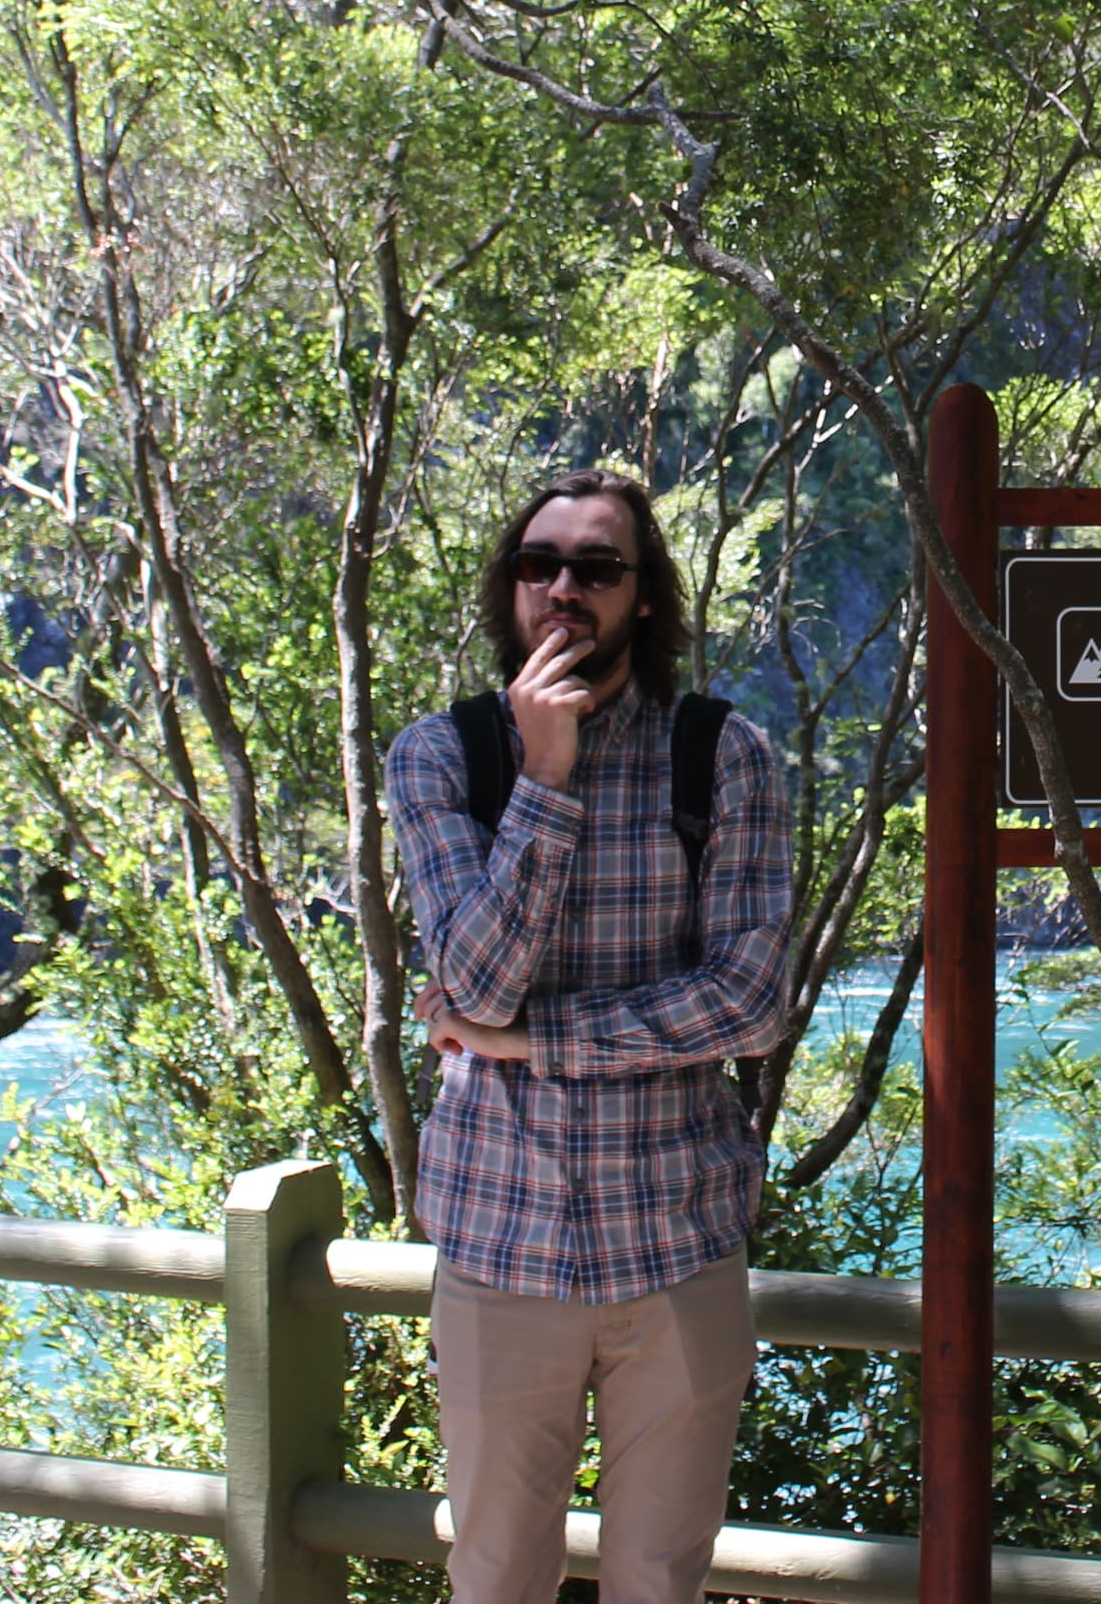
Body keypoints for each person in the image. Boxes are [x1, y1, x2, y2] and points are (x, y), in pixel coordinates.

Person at [386, 469, 792, 1604]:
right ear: (509, 588)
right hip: (499, 1248)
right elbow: (471, 979)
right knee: (496, 1575)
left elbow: (751, 1002)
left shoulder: (722, 755)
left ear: (643, 597)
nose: (563, 588)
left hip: (679, 1244)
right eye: (538, 564)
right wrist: (547, 775)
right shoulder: (443, 757)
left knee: (660, 1581)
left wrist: (529, 1042)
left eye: (596, 567)